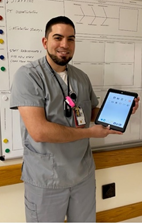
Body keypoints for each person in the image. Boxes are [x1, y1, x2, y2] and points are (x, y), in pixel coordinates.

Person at [10, 16, 139, 222]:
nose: (65, 45)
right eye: (58, 38)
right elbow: (39, 131)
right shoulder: (28, 76)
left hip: (82, 176)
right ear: (45, 42)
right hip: (46, 179)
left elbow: (89, 113)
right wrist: (90, 132)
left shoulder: (81, 77)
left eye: (71, 39)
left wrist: (120, 111)